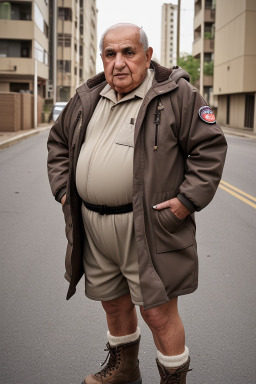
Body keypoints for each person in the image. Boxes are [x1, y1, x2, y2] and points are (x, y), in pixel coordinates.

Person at [47, 23, 227, 384]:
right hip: (94, 227)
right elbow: (58, 146)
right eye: (110, 54)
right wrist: (65, 192)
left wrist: (185, 202)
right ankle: (124, 369)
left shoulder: (177, 95)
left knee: (158, 313)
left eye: (128, 52)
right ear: (102, 58)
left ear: (147, 56)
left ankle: (173, 379)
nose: (119, 62)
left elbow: (209, 149)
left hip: (148, 228)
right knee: (112, 303)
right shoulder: (86, 98)